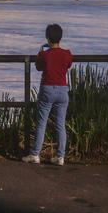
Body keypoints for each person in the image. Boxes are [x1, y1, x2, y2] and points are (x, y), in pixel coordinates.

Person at [23, 24, 73, 166]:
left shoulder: (45, 54)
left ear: (47, 38)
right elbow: (68, 64)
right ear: (60, 38)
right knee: (60, 124)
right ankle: (60, 157)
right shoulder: (67, 54)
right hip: (63, 90)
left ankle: (35, 154)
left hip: (47, 89)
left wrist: (41, 52)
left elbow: (39, 67)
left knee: (42, 122)